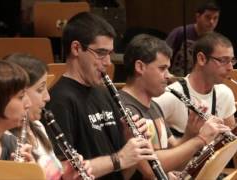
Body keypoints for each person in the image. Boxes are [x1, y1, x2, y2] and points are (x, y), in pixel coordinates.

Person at [46, 12, 157, 180]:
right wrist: (119, 159)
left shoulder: (105, 93)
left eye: (110, 54)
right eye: (101, 53)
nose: (108, 62)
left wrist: (131, 145)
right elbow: (63, 174)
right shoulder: (58, 101)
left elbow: (123, 175)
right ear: (76, 48)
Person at [119, 34, 230, 178]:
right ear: (140, 67)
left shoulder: (153, 105)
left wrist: (191, 133)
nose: (169, 76)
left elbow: (176, 162)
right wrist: (200, 140)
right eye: (162, 68)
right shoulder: (125, 108)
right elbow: (150, 169)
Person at [5, 53, 92, 180]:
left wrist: (67, 176)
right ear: (19, 93)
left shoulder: (37, 126)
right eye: (40, 89)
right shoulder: (8, 141)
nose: (48, 97)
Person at [154, 32, 237, 138]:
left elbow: (229, 143)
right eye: (223, 60)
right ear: (201, 59)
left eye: (232, 61)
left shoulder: (225, 93)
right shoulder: (169, 96)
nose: (230, 68)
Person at [166, 0, 220, 77]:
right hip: (176, 79)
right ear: (198, 16)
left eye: (215, 18)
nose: (212, 22)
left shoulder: (216, 40)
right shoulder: (180, 32)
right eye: (208, 17)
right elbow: (163, 54)